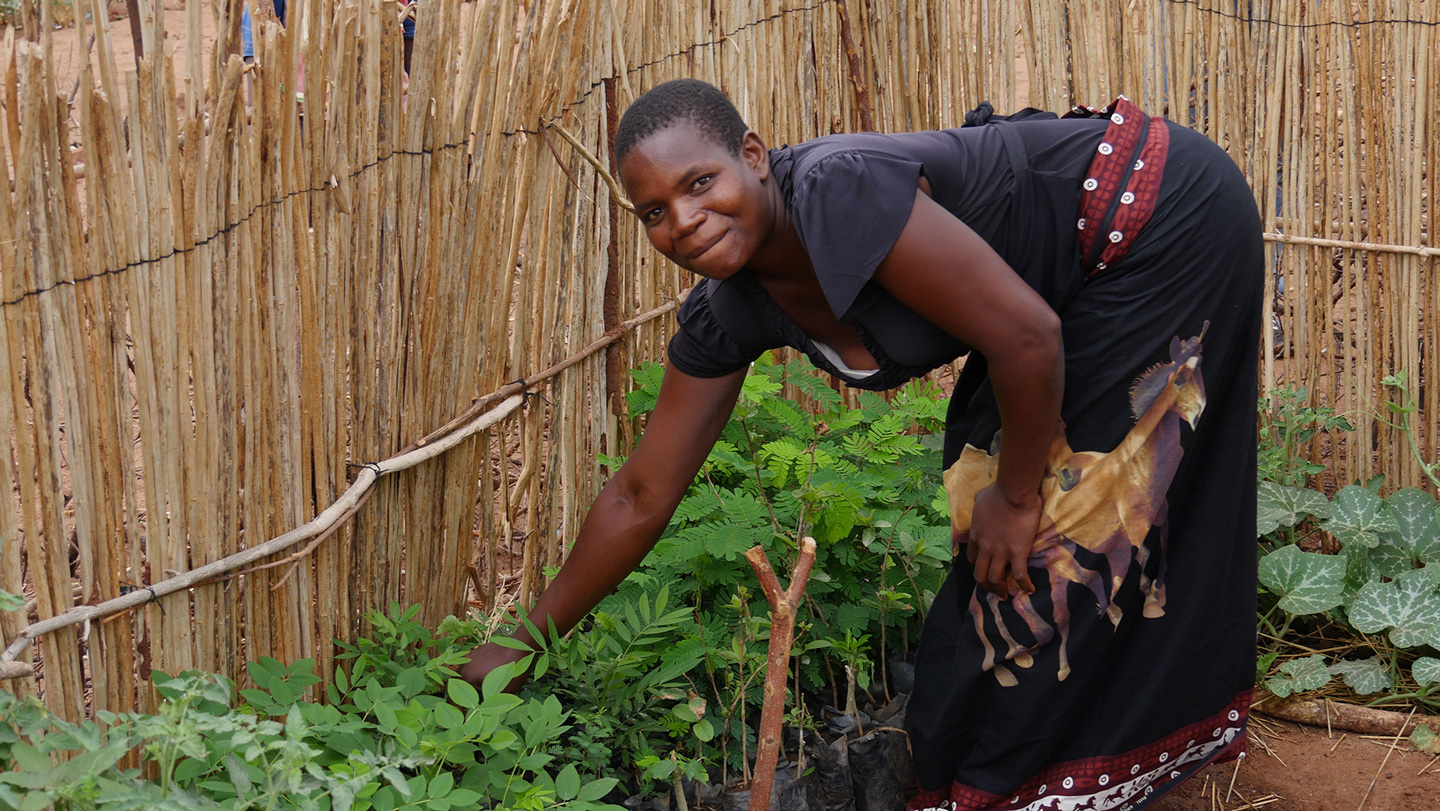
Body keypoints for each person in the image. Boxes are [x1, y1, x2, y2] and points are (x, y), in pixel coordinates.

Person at [461, 78, 1261, 811]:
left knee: (1055, 534)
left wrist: (1019, 499)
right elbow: (639, 493)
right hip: (1063, 297)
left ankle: (1044, 784)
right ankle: (997, 771)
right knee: (990, 513)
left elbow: (1027, 338)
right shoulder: (730, 309)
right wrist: (518, 646)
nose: (684, 221)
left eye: (699, 183)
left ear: (752, 156)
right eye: (654, 212)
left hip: (1154, 219)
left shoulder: (836, 192)